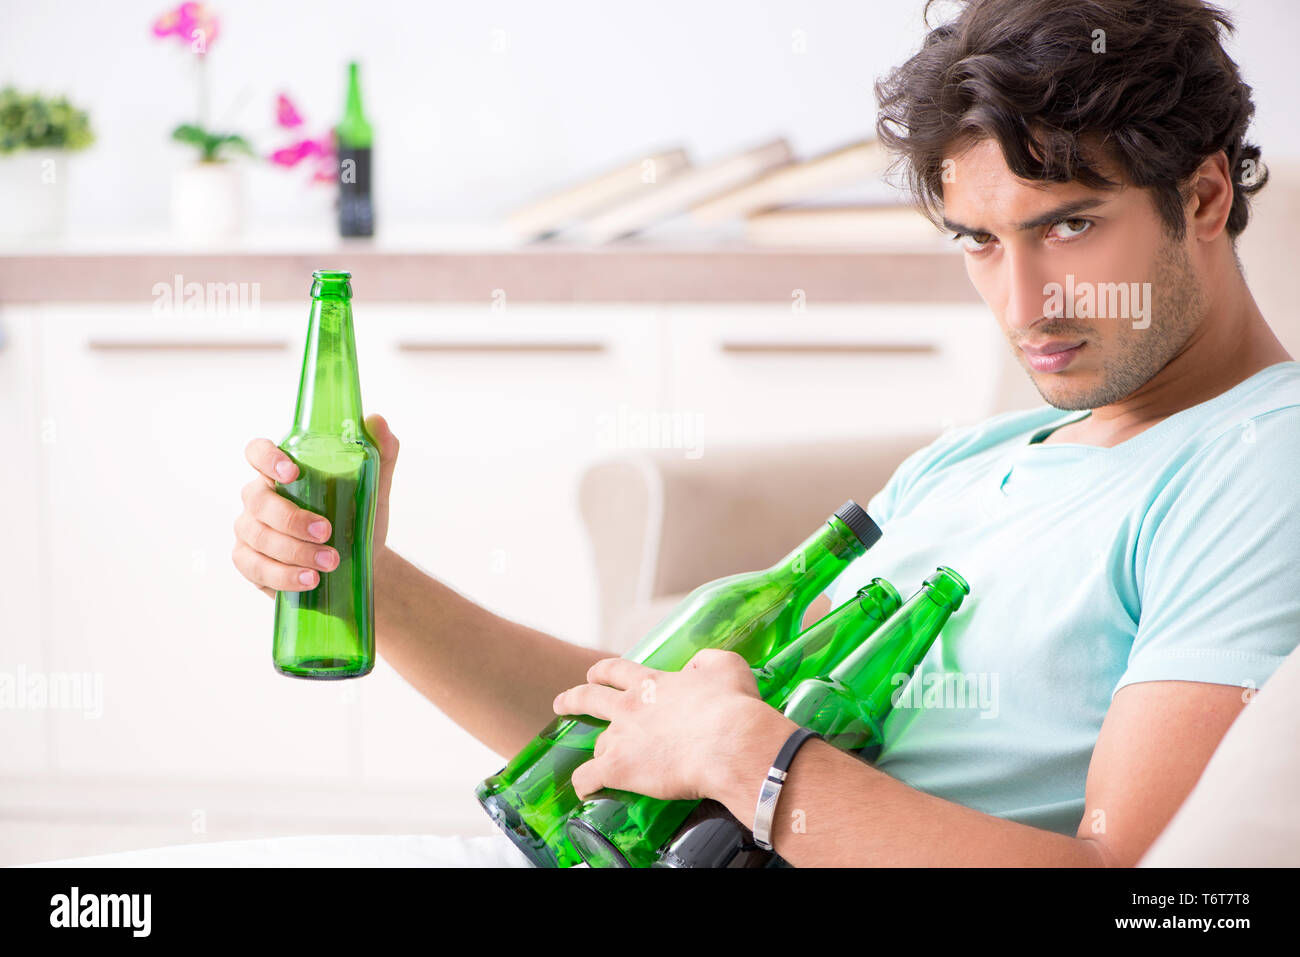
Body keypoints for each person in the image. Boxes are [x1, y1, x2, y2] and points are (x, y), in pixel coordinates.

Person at [231, 0, 1300, 866]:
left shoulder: (1261, 464)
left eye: (1064, 226)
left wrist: (751, 761)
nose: (1021, 303)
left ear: (1202, 196)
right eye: (976, 241)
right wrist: (367, 576)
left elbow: (1145, 892)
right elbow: (641, 731)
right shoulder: (969, 463)